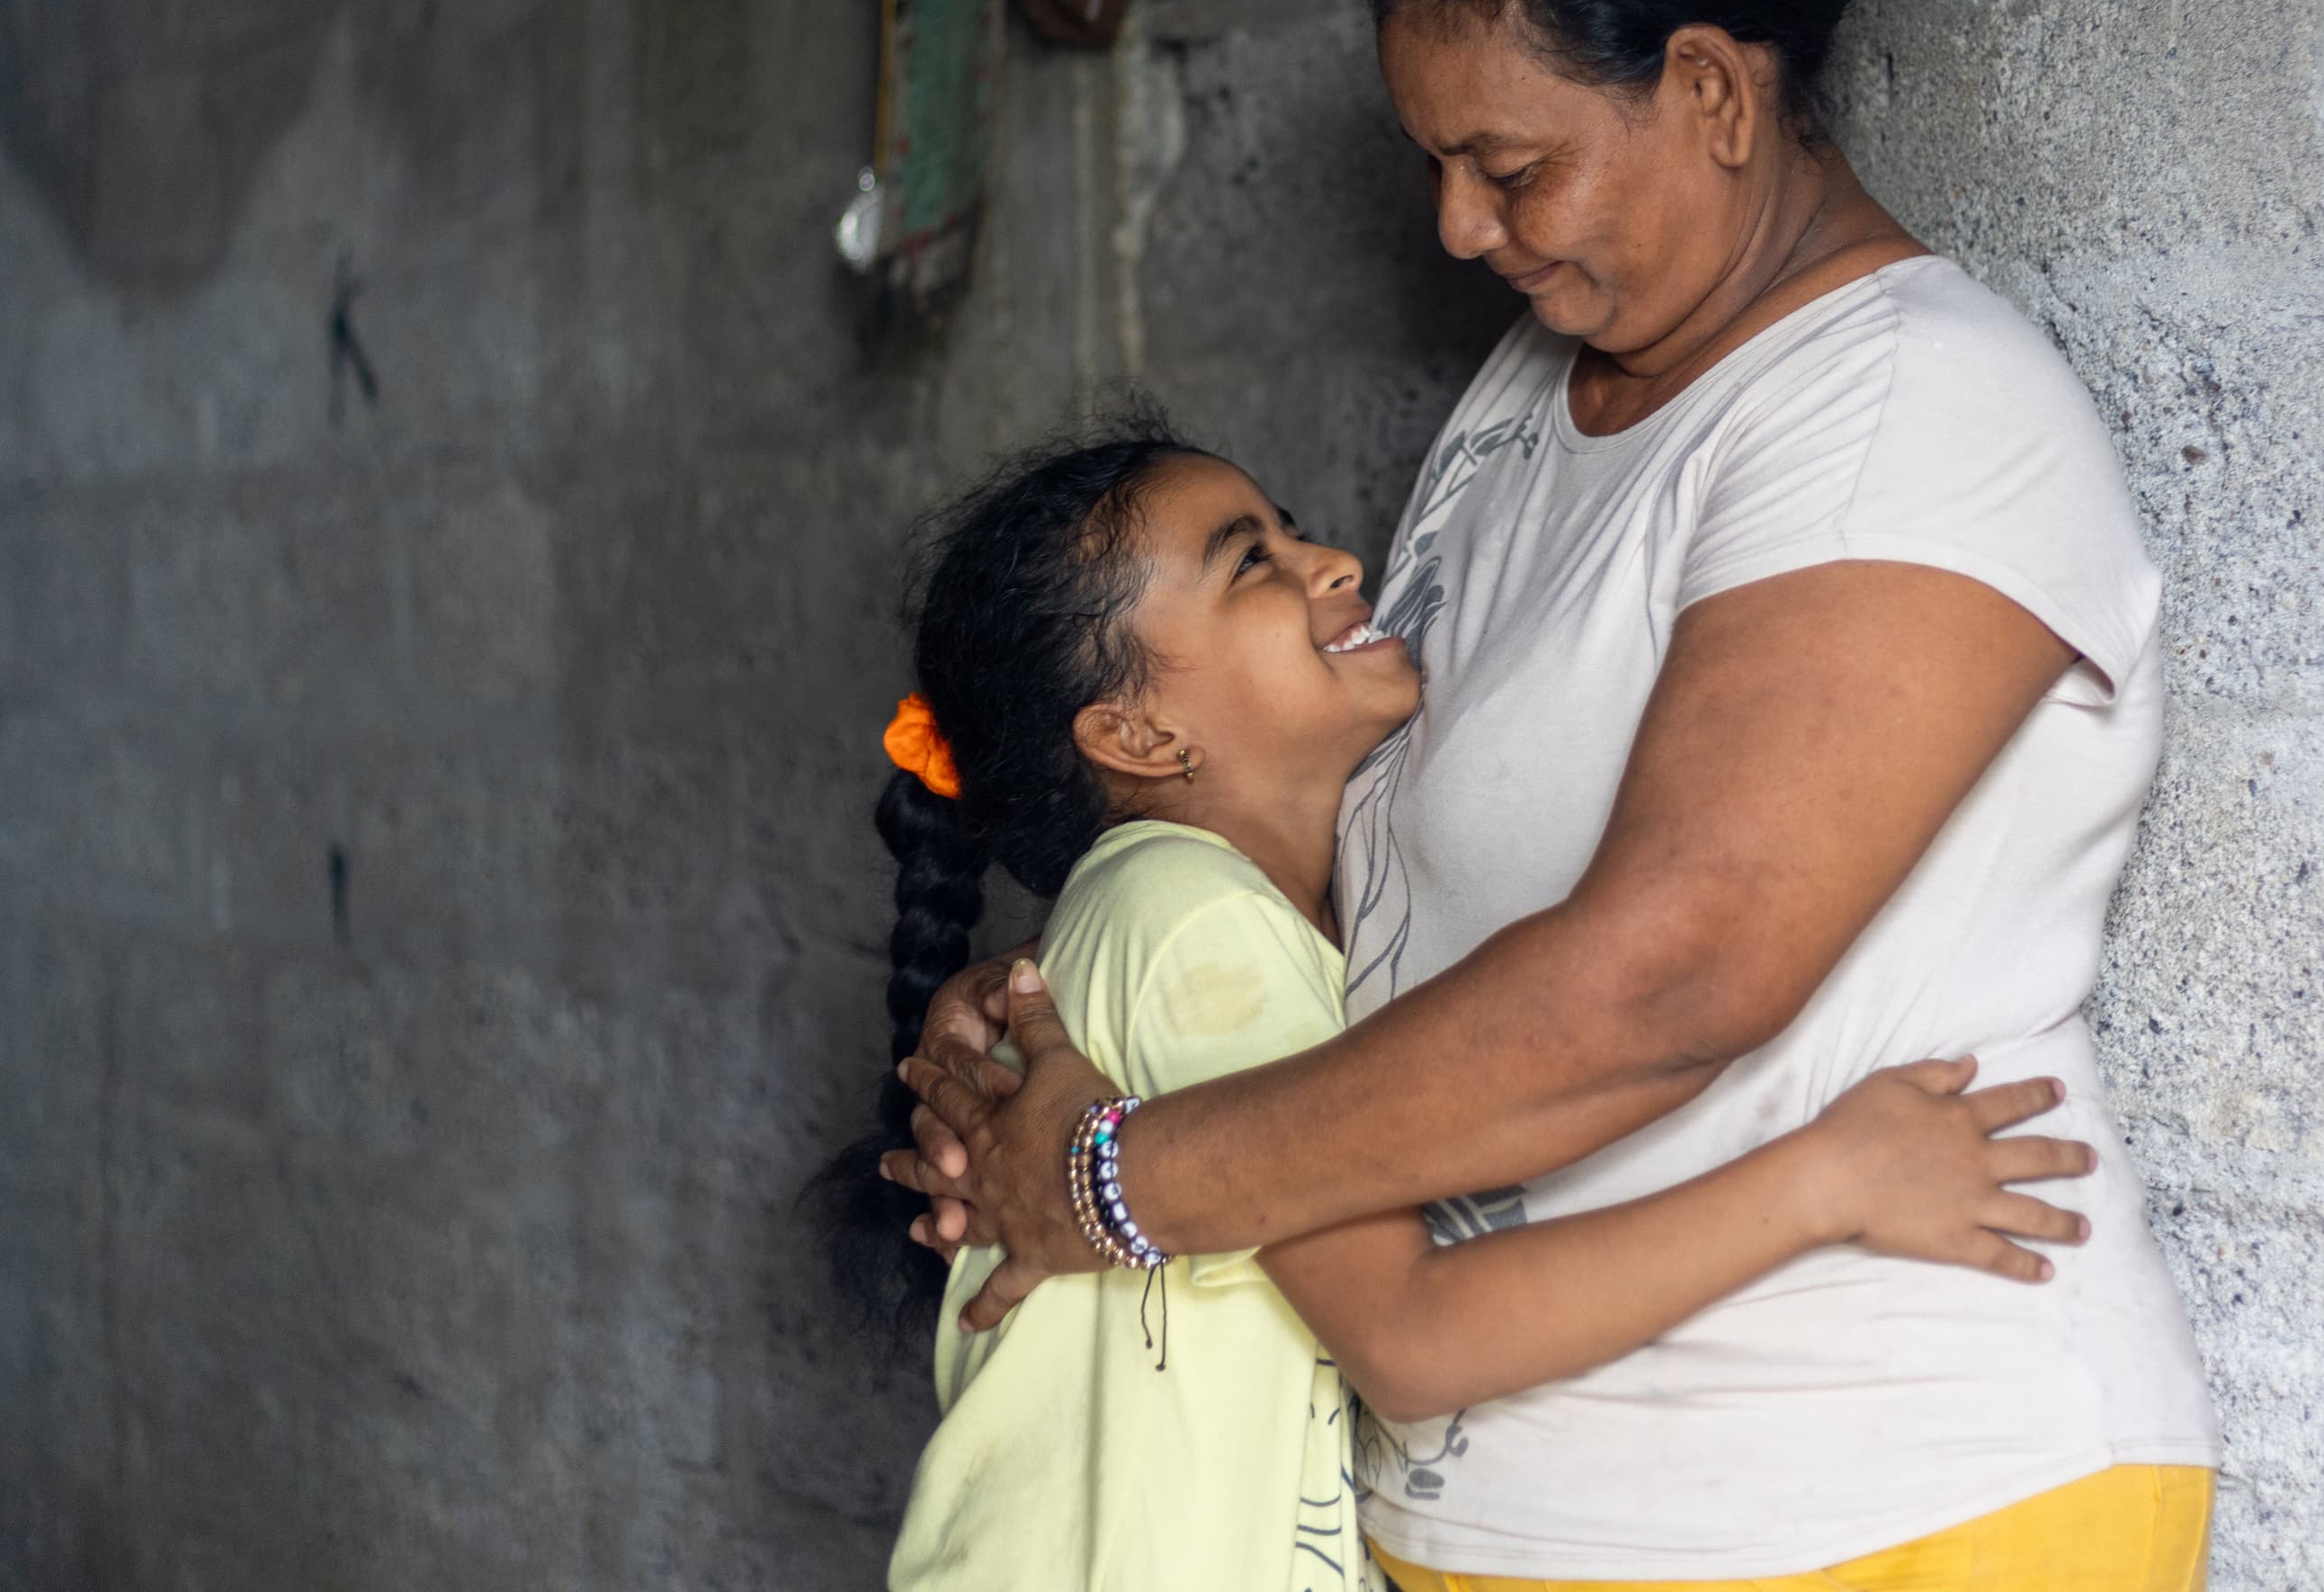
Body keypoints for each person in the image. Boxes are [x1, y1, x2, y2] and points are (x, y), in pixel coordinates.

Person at [889, 0, 2223, 1588]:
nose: (1454, 229)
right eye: (1435, 165)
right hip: (1499, 1502)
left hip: (1876, 1500)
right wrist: (1043, 1022)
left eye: (1507, 165)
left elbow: (1673, 974)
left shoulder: (1910, 409)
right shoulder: (1535, 403)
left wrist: (1116, 1170)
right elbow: (1362, 892)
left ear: (1707, 89)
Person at [835, 420, 2108, 1592]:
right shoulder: (1196, 922)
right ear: (1140, 736)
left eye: (1288, 527)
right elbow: (1412, 1334)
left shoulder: (1193, 921)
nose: (1333, 561)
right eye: (1252, 566)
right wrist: (1829, 1183)